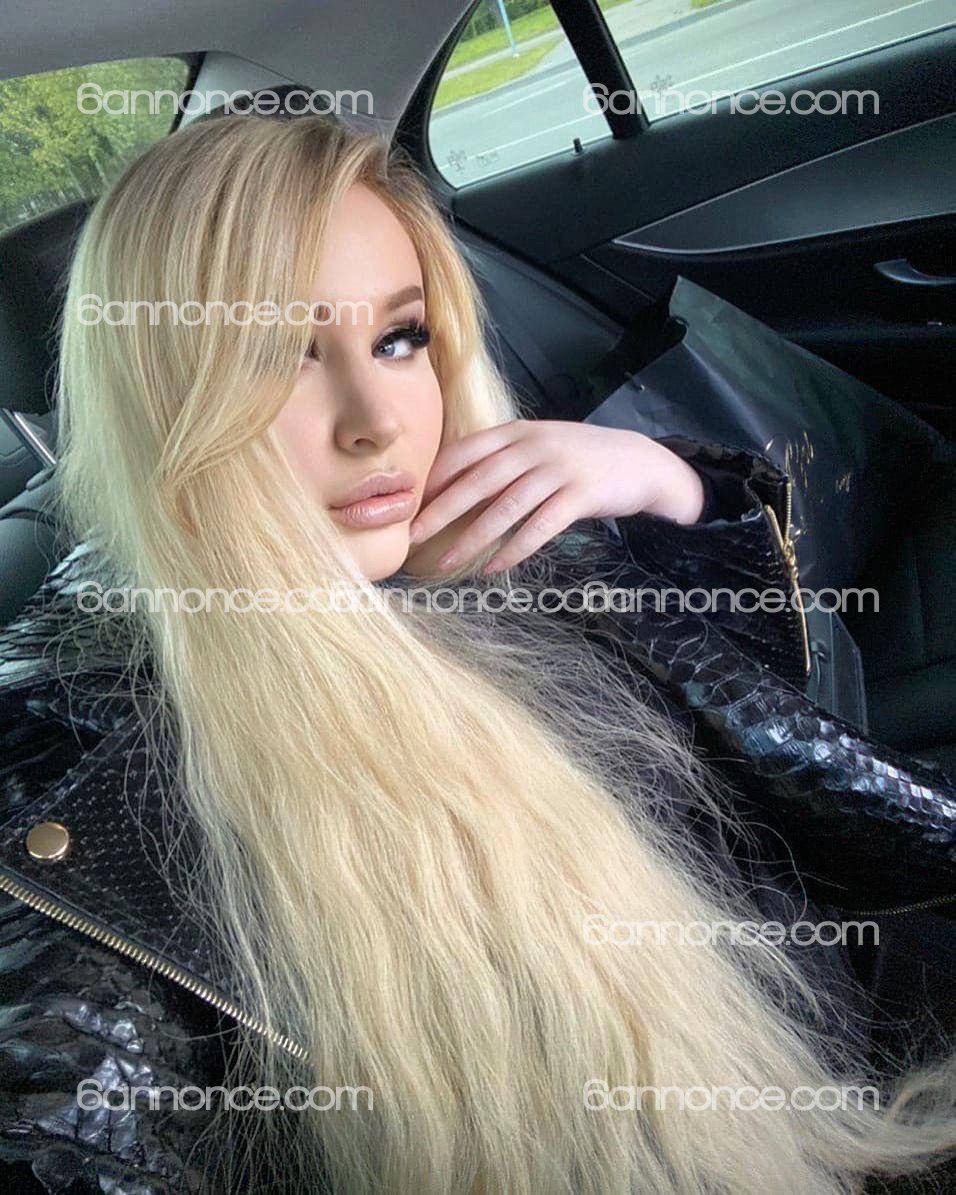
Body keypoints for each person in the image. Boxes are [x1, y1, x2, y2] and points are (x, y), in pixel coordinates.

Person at [0, 111, 954, 1194]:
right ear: (158, 389)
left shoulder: (483, 539)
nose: (375, 422)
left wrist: (667, 485)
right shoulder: (75, 789)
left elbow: (758, 756)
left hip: (843, 1042)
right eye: (276, 355)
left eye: (398, 338)